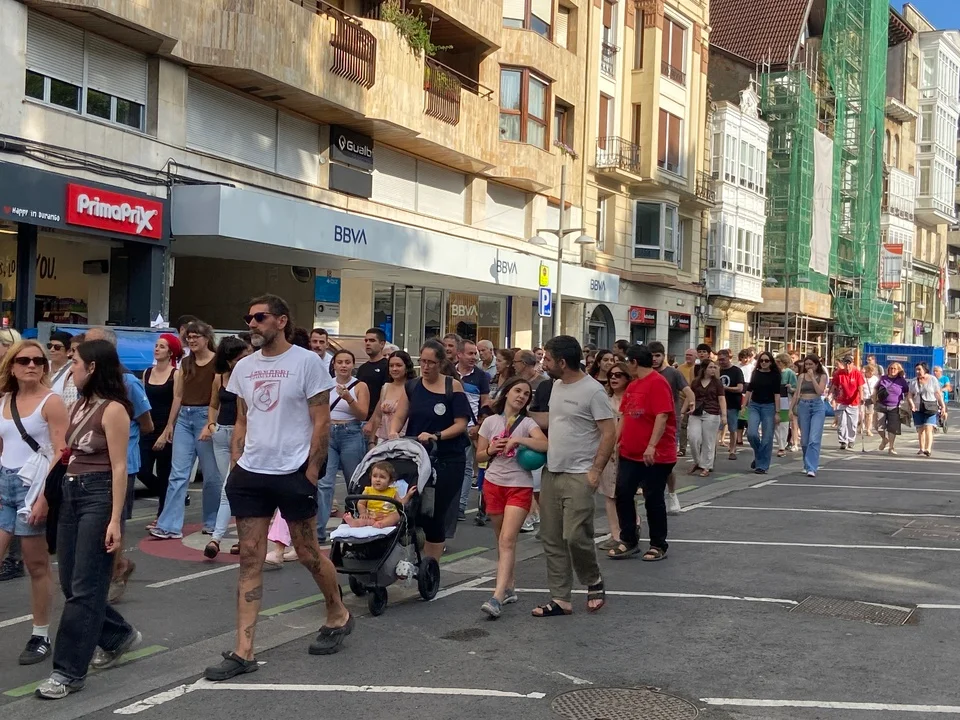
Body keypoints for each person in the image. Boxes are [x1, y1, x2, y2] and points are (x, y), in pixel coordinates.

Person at [205, 295, 351, 682]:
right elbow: (241, 419)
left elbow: (321, 420)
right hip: (251, 473)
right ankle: (244, 651)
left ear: (282, 321)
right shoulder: (244, 367)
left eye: (260, 317)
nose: (252, 324)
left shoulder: (306, 362)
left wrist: (312, 470)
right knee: (250, 558)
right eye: (248, 318)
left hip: (293, 471)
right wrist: (237, 464)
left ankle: (337, 612)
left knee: (307, 553)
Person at [36, 340, 141, 700]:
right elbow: (65, 451)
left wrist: (114, 520)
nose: (71, 369)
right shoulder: (80, 404)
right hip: (71, 492)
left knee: (84, 587)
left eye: (76, 362)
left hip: (99, 493)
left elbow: (120, 467)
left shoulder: (114, 409)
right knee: (72, 583)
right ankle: (117, 634)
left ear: (93, 367)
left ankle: (67, 672)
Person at [528, 336, 613, 616]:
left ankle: (593, 579)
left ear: (563, 362)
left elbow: (609, 433)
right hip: (552, 470)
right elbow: (555, 420)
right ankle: (560, 598)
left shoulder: (593, 391)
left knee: (576, 535)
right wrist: (519, 414)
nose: (544, 363)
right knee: (551, 537)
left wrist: (596, 471)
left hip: (580, 474)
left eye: (548, 359)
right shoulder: (555, 386)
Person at [0, 340, 67, 665]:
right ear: (12, 366)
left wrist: (45, 497)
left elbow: (60, 451)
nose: (31, 365)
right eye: (24, 360)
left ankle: (40, 635)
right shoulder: (4, 400)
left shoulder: (51, 402)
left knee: (36, 564)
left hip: (33, 489)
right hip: (4, 485)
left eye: (38, 361)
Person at [84, 328, 152, 604]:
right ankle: (117, 566)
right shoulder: (87, 383)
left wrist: (123, 434)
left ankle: (115, 574)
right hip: (91, 465)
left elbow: (147, 423)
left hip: (123, 465)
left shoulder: (128, 382)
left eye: (89, 345)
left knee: (114, 525)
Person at [389, 339, 470, 561]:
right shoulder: (412, 386)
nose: (425, 367)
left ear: (441, 363)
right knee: (411, 508)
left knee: (435, 513)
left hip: (446, 458)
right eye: (422, 361)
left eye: (431, 363)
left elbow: (461, 424)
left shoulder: (452, 386)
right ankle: (413, 559)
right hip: (418, 456)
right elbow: (400, 415)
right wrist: (394, 432)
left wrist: (437, 435)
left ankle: (432, 566)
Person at [476, 376, 547, 618]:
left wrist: (518, 439)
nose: (521, 396)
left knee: (507, 539)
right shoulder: (490, 422)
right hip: (493, 484)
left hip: (519, 485)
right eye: (517, 391)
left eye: (526, 394)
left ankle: (496, 597)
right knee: (501, 540)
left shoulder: (527, 423)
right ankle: (509, 586)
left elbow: (545, 444)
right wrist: (490, 450)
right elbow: (478, 456)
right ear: (507, 392)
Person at [151, 322, 221, 538]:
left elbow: (217, 397)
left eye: (195, 336)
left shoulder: (217, 362)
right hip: (184, 416)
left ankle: (212, 521)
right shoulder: (186, 362)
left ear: (206, 338)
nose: (191, 340)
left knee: (211, 476)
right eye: (189, 337)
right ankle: (169, 526)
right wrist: (170, 424)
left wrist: (211, 423)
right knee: (177, 474)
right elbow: (178, 395)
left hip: (205, 416)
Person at [609, 344, 676, 561]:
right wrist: (614, 443)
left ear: (634, 362)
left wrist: (652, 445)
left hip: (655, 455)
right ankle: (628, 539)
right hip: (630, 452)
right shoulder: (633, 385)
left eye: (627, 362)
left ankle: (658, 544)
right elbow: (625, 416)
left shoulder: (658, 382)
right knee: (623, 493)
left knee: (653, 497)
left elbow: (662, 415)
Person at [315, 350, 369, 544]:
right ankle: (318, 531)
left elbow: (363, 414)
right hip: (329, 433)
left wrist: (348, 398)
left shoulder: (360, 386)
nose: (344, 366)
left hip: (351, 433)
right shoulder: (326, 384)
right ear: (334, 365)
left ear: (353, 365)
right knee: (324, 483)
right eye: (340, 362)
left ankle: (357, 525)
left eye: (347, 362)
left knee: (353, 482)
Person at [202, 337, 249, 559]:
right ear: (229, 360)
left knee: (229, 489)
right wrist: (212, 425)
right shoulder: (219, 378)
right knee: (231, 487)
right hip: (221, 434)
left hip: (242, 436)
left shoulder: (248, 379)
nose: (244, 361)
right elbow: (213, 404)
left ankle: (216, 538)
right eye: (239, 358)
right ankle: (242, 537)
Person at [139, 334, 182, 531]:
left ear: (171, 352)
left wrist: (168, 429)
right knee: (142, 470)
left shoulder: (176, 374)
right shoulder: (147, 372)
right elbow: (143, 400)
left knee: (165, 473)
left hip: (166, 426)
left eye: (162, 346)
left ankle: (162, 515)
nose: (157, 349)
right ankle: (175, 497)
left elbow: (177, 400)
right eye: (156, 346)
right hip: (148, 426)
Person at [648, 342, 694, 513]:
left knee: (667, 464)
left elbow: (688, 391)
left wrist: (691, 403)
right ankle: (651, 492)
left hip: (669, 423)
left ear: (663, 356)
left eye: (657, 356)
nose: (654, 359)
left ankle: (673, 494)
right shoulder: (644, 373)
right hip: (648, 421)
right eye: (652, 356)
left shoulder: (673, 373)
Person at [453, 339, 490, 525]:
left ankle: (460, 506)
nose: (474, 357)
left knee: (467, 467)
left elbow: (485, 402)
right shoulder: (449, 373)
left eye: (475, 353)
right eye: (470, 353)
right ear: (459, 354)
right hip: (450, 426)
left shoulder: (481, 376)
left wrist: (479, 425)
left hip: (470, 427)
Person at [596, 361, 630, 551]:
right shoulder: (605, 399)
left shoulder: (631, 399)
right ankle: (615, 534)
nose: (614, 378)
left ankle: (632, 524)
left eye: (618, 375)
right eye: (611, 375)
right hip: (608, 448)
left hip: (628, 448)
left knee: (625, 491)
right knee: (609, 493)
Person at [366, 350, 415, 448]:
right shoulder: (386, 387)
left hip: (405, 440)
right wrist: (372, 441)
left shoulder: (413, 387)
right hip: (383, 439)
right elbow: (378, 416)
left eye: (398, 365)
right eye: (391, 366)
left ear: (407, 367)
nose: (394, 369)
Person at [342, 461, 412, 529]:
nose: (378, 480)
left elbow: (401, 504)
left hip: (387, 517)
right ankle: (355, 523)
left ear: (390, 481)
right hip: (371, 516)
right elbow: (361, 504)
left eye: (382, 477)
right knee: (364, 520)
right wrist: (363, 513)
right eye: (374, 476)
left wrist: (408, 495)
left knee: (396, 515)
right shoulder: (368, 491)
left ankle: (382, 523)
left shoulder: (393, 492)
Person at [790, 354, 828, 477]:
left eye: (811, 364)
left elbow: (820, 391)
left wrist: (812, 378)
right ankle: (807, 464)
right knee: (805, 440)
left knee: (814, 438)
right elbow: (797, 394)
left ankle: (812, 467)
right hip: (803, 405)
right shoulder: (801, 376)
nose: (808, 367)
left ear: (816, 365)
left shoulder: (822, 376)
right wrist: (791, 409)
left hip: (817, 406)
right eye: (806, 364)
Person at [687, 360, 726, 477]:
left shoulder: (717, 383)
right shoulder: (696, 382)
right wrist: (683, 411)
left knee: (708, 441)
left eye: (714, 367)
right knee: (693, 438)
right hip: (696, 412)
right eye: (710, 367)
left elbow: (721, 399)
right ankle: (697, 461)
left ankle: (706, 466)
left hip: (712, 413)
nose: (713, 369)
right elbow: (689, 397)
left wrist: (724, 415)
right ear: (704, 369)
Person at [745, 351, 780, 474]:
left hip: (769, 406)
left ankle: (762, 466)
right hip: (754, 405)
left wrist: (777, 412)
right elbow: (749, 389)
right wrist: (744, 405)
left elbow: (777, 394)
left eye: (766, 361)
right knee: (751, 434)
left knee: (767, 438)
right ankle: (759, 455)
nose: (764, 363)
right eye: (761, 360)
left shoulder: (775, 375)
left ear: (771, 362)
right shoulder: (755, 373)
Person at [909, 362, 946, 457]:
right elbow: (910, 395)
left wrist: (942, 406)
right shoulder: (913, 381)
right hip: (917, 408)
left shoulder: (933, 379)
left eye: (919, 369)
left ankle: (928, 449)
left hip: (930, 407)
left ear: (925, 369)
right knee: (920, 429)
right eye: (916, 369)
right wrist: (912, 404)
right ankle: (921, 448)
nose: (917, 371)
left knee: (928, 427)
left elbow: (938, 394)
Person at [830, 354, 865, 450]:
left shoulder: (857, 373)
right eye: (846, 363)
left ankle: (851, 439)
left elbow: (860, 387)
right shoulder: (839, 373)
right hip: (841, 401)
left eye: (849, 363)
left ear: (852, 364)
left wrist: (861, 398)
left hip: (853, 401)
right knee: (842, 423)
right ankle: (843, 441)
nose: (847, 365)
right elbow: (834, 385)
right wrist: (830, 395)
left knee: (852, 423)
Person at [875, 362, 909, 456]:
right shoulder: (883, 378)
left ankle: (891, 447)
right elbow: (876, 389)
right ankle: (884, 439)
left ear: (898, 370)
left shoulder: (901, 381)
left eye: (895, 369)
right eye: (891, 368)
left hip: (895, 407)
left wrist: (906, 403)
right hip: (881, 405)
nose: (892, 370)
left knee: (892, 428)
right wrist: (874, 400)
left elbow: (907, 392)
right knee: (878, 426)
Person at [357, 329, 388, 428]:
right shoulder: (362, 368)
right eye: (366, 340)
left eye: (372, 340)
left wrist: (372, 421)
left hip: (379, 421)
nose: (368, 343)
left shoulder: (387, 367)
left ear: (382, 344)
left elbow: (385, 396)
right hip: (360, 419)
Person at [717, 349, 744, 461]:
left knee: (732, 428)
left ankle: (732, 450)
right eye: (719, 360)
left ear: (729, 358)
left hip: (732, 403)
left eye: (723, 359)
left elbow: (740, 388)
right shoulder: (717, 370)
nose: (721, 362)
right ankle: (712, 449)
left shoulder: (736, 371)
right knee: (716, 427)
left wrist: (725, 388)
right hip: (718, 403)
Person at [774, 353, 797, 458]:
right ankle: (781, 443)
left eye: (779, 362)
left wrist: (790, 388)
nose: (777, 364)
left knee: (783, 424)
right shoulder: (774, 372)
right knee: (774, 423)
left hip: (785, 400)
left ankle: (782, 446)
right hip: (774, 399)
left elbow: (796, 388)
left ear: (784, 362)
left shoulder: (789, 373)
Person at [860, 364, 879, 437]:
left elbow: (877, 388)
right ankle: (861, 426)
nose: (871, 373)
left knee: (870, 414)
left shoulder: (875, 379)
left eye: (872, 372)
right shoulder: (862, 378)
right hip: (862, 397)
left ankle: (868, 429)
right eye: (870, 371)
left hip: (871, 398)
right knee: (861, 413)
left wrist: (875, 397)